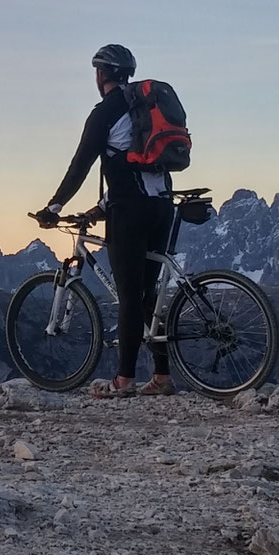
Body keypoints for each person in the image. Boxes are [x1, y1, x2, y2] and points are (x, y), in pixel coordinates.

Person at [34, 43, 176, 397]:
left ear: (101, 74)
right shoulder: (145, 108)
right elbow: (134, 168)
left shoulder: (104, 113)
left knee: (129, 295)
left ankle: (123, 381)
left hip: (130, 212)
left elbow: (80, 164)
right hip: (162, 205)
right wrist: (100, 208)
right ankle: (161, 376)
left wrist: (54, 206)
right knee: (147, 292)